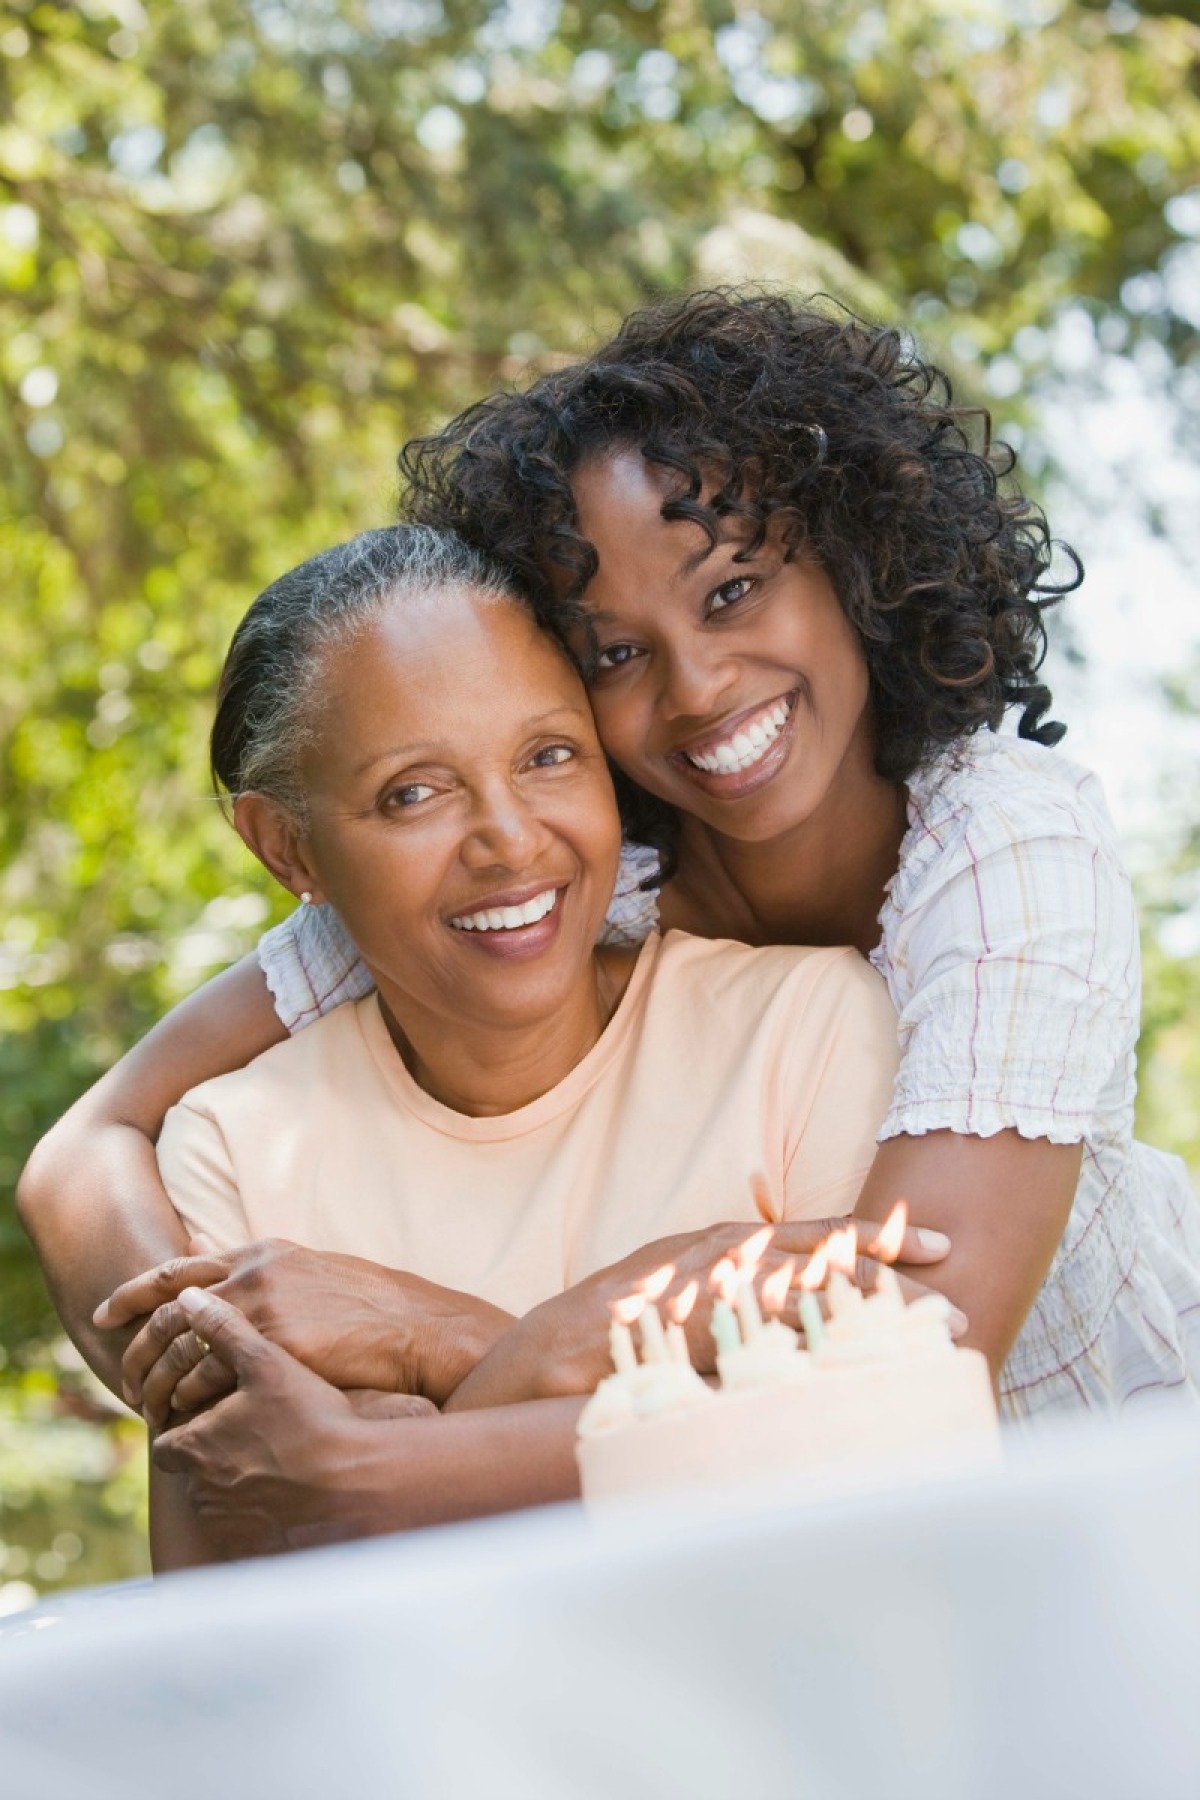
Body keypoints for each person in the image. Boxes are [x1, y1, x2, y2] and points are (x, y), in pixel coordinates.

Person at [20, 292, 1200, 1443]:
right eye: (618, 652)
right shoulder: (572, 877)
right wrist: (206, 1359)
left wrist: (435, 1369)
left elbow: (916, 1354)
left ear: (856, 564)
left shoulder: (1001, 846)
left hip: (1116, 1472)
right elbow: (87, 1150)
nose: (696, 688)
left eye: (733, 591)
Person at [86, 522, 952, 1562]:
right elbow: (239, 1573)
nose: (508, 837)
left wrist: (445, 1347)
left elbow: (880, 1486)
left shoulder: (800, 1031)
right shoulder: (234, 1149)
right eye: (413, 792)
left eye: (548, 756)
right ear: (288, 847)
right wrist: (667, 1381)